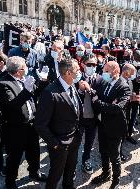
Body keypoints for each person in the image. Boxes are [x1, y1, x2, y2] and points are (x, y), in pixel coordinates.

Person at [0, 56, 47, 189]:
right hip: (15, 128)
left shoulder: (23, 79)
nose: (28, 69)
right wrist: (26, 90)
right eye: (25, 66)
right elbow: (12, 105)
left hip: (31, 125)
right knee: (14, 157)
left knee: (34, 152)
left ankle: (34, 172)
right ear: (19, 70)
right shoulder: (3, 84)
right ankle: (10, 181)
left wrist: (43, 80)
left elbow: (36, 92)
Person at [35, 58, 83, 189]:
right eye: (77, 70)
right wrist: (54, 144)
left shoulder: (72, 85)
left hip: (74, 139)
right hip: (60, 144)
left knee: (71, 169)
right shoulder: (50, 92)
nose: (80, 72)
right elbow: (40, 124)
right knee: (56, 173)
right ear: (68, 72)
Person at [90, 61, 131, 189]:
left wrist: (98, 103)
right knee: (102, 151)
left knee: (114, 155)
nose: (104, 73)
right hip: (103, 124)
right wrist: (105, 104)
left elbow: (117, 108)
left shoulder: (124, 87)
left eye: (106, 70)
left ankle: (116, 180)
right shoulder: (104, 82)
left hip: (115, 127)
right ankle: (106, 173)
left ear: (115, 71)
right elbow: (99, 96)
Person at [78, 54, 100, 174]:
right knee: (75, 142)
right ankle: (70, 165)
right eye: (89, 64)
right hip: (79, 117)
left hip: (93, 117)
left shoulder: (99, 79)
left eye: (94, 65)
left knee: (89, 142)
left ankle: (86, 160)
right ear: (82, 65)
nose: (92, 67)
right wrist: (80, 90)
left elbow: (101, 97)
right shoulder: (76, 78)